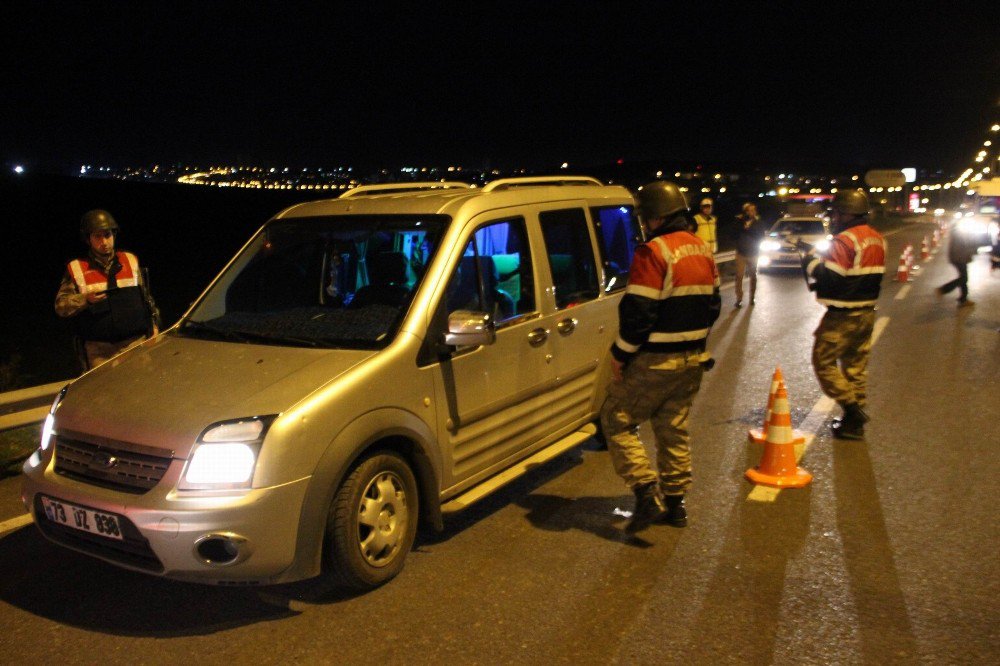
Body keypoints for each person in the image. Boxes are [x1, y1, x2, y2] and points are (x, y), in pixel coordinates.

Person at [600, 181, 721, 532]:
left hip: (655, 360)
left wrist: (621, 355)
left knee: (616, 420)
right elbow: (713, 306)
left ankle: (645, 493)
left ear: (654, 218)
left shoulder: (653, 252)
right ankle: (676, 505)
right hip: (692, 359)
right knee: (673, 429)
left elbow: (639, 312)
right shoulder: (701, 248)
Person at [800, 190, 886, 440]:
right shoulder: (877, 239)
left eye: (836, 213)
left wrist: (810, 263)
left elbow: (832, 277)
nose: (834, 218)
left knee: (823, 362)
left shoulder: (845, 241)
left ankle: (852, 409)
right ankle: (853, 425)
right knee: (855, 368)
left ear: (846, 213)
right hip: (867, 314)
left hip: (842, 317)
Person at [55, 210, 160, 371]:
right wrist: (85, 300)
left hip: (135, 343)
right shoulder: (76, 268)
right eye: (97, 236)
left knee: (140, 388)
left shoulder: (129, 260)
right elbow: (61, 307)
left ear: (114, 235)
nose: (104, 241)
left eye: (107, 235)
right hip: (99, 351)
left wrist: (154, 324)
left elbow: (146, 298)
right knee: (103, 395)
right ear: (88, 239)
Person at [936, 224, 978, 306]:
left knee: (963, 278)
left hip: (958, 259)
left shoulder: (957, 235)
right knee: (964, 278)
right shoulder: (959, 236)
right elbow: (962, 248)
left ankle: (963, 299)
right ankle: (943, 289)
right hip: (960, 259)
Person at [734, 202, 766, 307]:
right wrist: (742, 222)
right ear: (745, 212)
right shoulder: (740, 221)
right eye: (749, 210)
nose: (751, 212)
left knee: (753, 275)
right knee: (739, 276)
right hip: (741, 253)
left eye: (753, 210)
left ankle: (752, 297)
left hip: (753, 253)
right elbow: (733, 233)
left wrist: (749, 228)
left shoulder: (758, 223)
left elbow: (761, 236)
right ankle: (739, 298)